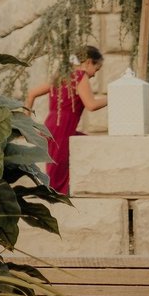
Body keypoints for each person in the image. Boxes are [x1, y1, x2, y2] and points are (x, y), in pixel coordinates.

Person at [26, 46, 109, 194]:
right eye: (97, 69)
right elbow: (91, 105)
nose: (95, 75)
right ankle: (55, 205)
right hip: (63, 128)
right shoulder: (80, 76)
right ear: (89, 62)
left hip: (52, 125)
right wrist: (114, 97)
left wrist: (25, 123)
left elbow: (31, 94)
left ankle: (81, 188)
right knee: (56, 178)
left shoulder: (61, 75)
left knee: (88, 148)